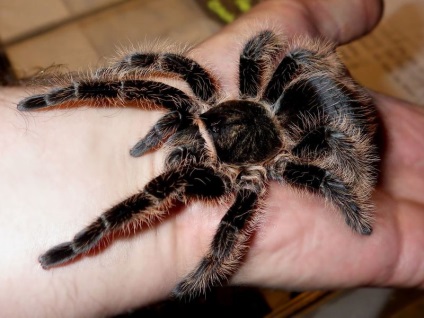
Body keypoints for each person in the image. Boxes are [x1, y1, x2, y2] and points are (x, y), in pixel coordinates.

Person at [1, 0, 423, 316]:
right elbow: (177, 64)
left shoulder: (272, 167)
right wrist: (71, 92)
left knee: (176, 187)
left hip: (315, 124)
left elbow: (236, 221)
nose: (189, 139)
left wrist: (356, 194)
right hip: (285, 100)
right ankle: (59, 100)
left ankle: (85, 240)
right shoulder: (198, 102)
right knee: (176, 76)